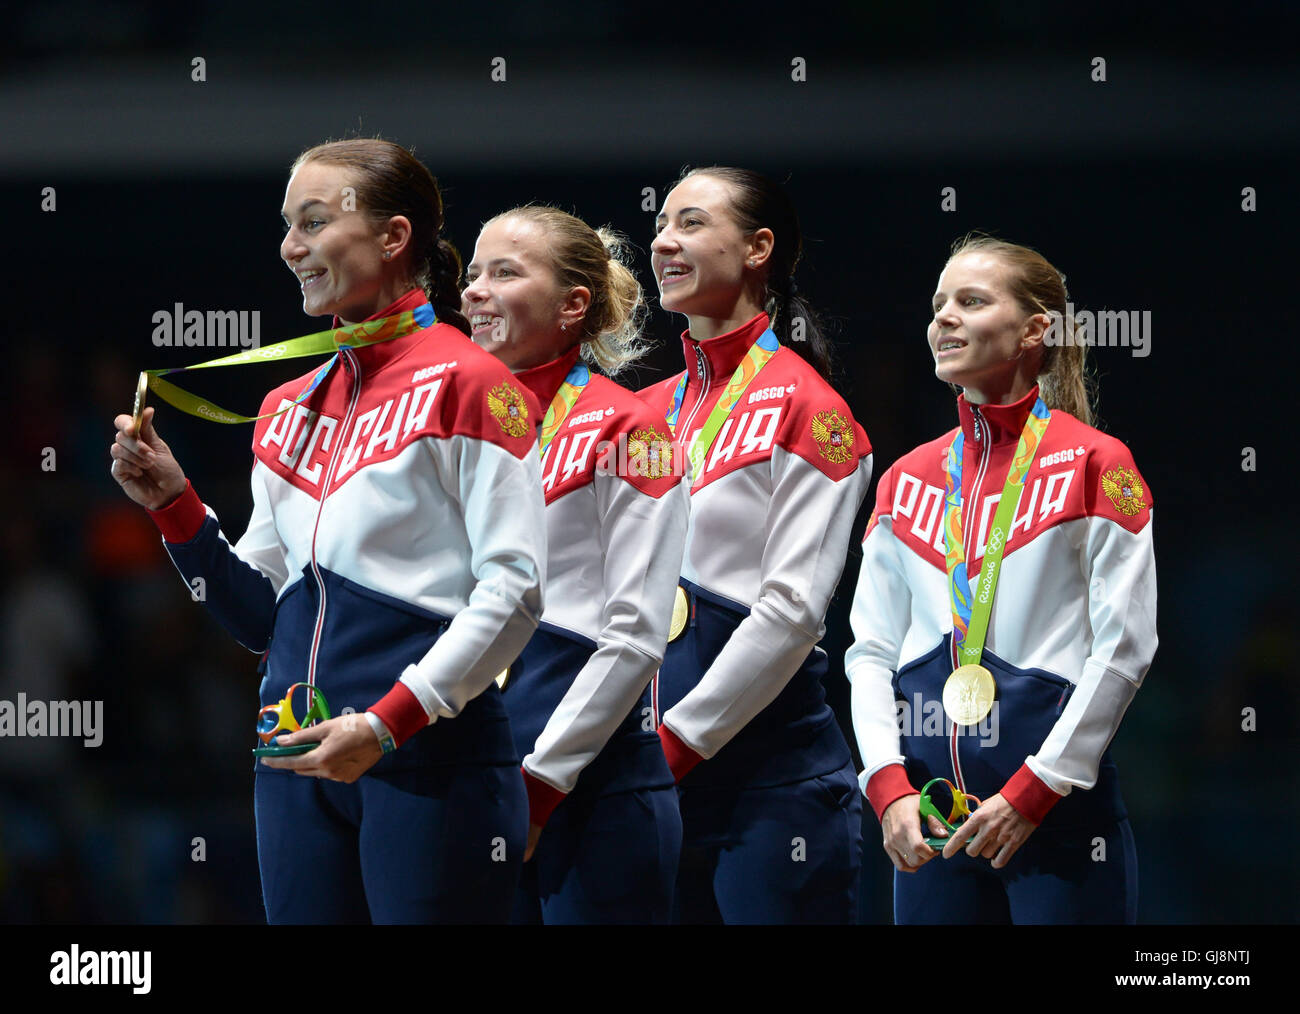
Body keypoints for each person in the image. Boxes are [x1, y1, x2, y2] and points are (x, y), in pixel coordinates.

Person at [109, 138, 546, 924]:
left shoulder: (472, 383)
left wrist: (386, 725)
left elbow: (515, 592)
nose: (290, 246)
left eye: (313, 221)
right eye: (286, 225)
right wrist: (174, 506)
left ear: (393, 236)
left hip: (426, 761)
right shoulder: (287, 408)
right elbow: (256, 617)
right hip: (294, 762)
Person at [846, 235, 1156, 924]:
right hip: (934, 827)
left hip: (1057, 826)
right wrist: (887, 785)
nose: (944, 319)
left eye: (972, 301)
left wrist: (1037, 790)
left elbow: (1126, 646)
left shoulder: (1096, 465)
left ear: (1034, 330)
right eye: (938, 305)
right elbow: (870, 651)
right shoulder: (906, 480)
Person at [639, 167, 873, 924]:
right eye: (663, 224)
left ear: (758, 247)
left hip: (771, 791)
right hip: (643, 781)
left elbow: (794, 610)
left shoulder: (812, 410)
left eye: (693, 223)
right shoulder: (640, 415)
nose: (664, 239)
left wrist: (672, 749)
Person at [461, 205, 686, 923]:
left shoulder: (631, 428)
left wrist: (540, 786)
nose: (474, 290)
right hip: (471, 773)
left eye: (505, 272)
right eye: (471, 274)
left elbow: (634, 633)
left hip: (592, 792)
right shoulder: (453, 427)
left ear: (573, 305)